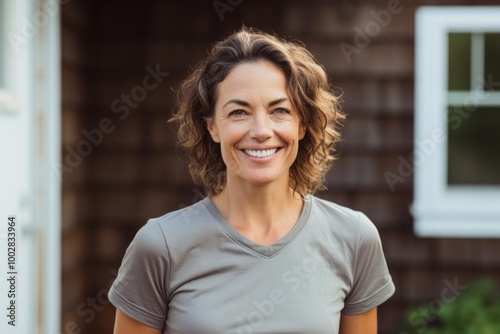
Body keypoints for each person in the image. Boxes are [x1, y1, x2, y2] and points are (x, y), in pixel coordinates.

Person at [109, 27, 395, 334]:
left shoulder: (354, 238)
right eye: (238, 112)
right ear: (213, 128)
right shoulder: (160, 246)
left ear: (302, 124)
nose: (261, 130)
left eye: (280, 110)